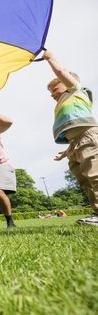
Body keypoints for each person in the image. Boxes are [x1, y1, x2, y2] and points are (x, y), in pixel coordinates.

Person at [43, 50, 98, 226]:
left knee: (95, 175)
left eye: (55, 89)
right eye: (51, 93)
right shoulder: (62, 101)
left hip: (88, 137)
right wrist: (66, 151)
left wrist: (50, 58)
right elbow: (73, 131)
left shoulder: (76, 90)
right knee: (84, 179)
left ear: (68, 83)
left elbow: (61, 73)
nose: (52, 94)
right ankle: (96, 213)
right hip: (75, 144)